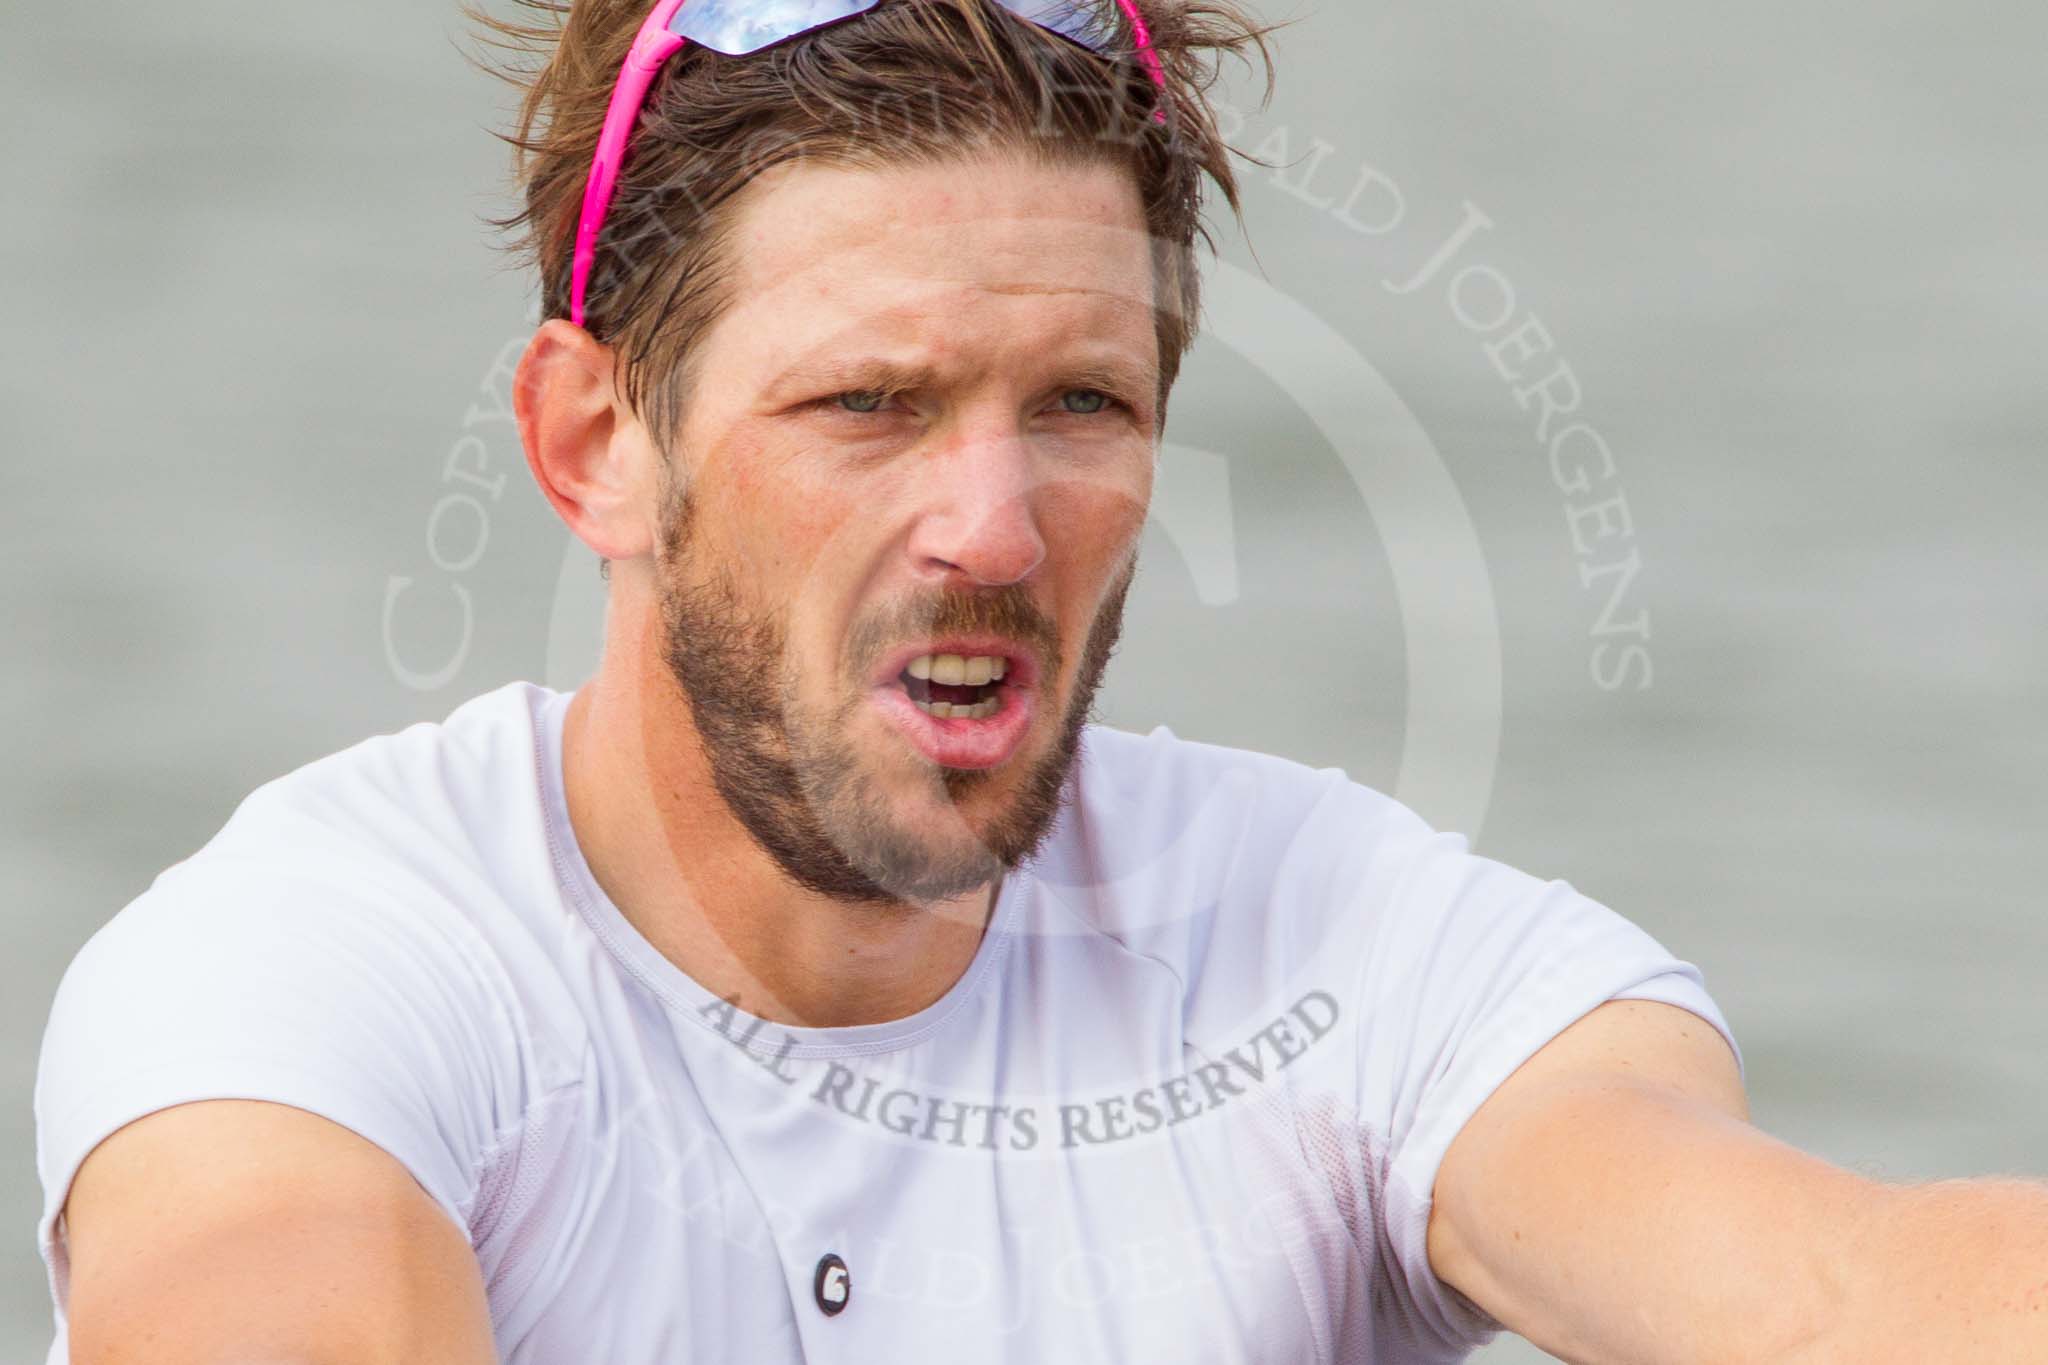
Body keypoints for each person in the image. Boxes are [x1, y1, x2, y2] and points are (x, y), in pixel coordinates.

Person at [32, 1, 2048, 1361]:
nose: (993, 526)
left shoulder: (1348, 945)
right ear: (593, 447)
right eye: (869, 404)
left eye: (1077, 402)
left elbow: (1839, 1285)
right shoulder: (306, 970)